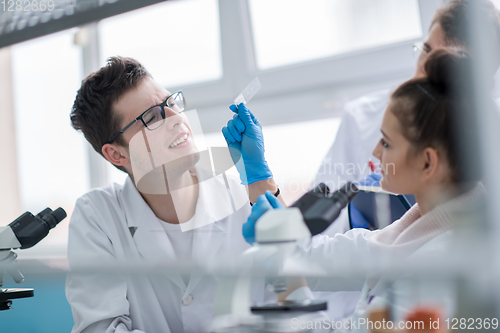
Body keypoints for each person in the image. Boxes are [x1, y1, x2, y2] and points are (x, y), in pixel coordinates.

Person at [240, 49, 487, 330]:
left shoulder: (437, 270)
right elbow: (332, 256)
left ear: (428, 162)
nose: (374, 152)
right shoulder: (418, 226)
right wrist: (279, 228)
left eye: (386, 143)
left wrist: (287, 278)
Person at [65, 57, 269, 333]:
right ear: (117, 153)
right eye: (151, 118)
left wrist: (264, 183)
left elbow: (292, 287)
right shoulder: (98, 216)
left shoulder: (239, 196)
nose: (176, 118)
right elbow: (101, 329)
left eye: (170, 103)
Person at [311, 0, 500, 236]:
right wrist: (360, 222)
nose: (427, 68)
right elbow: (318, 227)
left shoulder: (490, 134)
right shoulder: (361, 118)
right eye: (427, 50)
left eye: (447, 60)